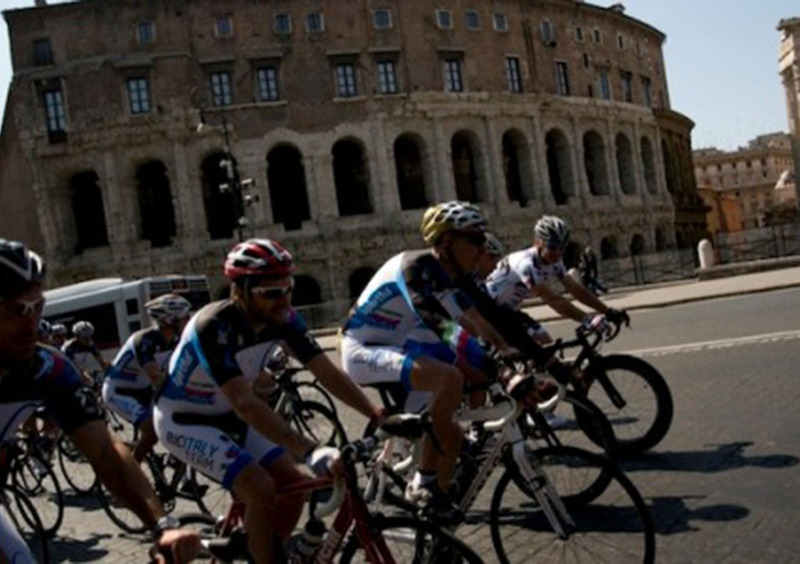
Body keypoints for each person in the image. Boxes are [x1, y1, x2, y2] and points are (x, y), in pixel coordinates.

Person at [153, 238, 383, 564]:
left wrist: (377, 414)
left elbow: (327, 372)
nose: (284, 300)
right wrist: (309, 449)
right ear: (241, 292)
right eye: (271, 293)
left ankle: (262, 551)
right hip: (184, 420)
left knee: (296, 488)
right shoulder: (213, 326)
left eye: (288, 289)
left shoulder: (284, 319)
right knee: (260, 488)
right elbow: (246, 404)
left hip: (229, 416)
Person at [0, 239, 200, 564]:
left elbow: (105, 451)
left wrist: (162, 525)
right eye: (16, 311)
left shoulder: (47, 367)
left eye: (37, 307)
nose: (31, 324)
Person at [340, 201, 545, 512]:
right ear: (448, 242)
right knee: (450, 376)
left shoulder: (451, 276)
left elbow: (488, 318)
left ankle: (436, 510)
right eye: (475, 240)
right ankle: (423, 479)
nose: (482, 248)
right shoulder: (412, 268)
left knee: (453, 436)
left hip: (400, 346)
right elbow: (444, 327)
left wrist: (535, 357)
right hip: (362, 349)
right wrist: (502, 371)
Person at [486, 215, 628, 344]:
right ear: (538, 243)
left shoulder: (554, 261)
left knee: (544, 339)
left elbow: (575, 289)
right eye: (553, 247)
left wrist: (607, 311)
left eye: (562, 247)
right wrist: (587, 320)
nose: (558, 252)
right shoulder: (525, 264)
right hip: (489, 308)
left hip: (508, 310)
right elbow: (552, 299)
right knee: (532, 347)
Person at [103, 293, 192, 462]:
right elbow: (156, 378)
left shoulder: (175, 340)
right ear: (168, 320)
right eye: (184, 317)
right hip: (118, 391)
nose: (188, 320)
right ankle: (133, 473)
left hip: (143, 390)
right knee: (151, 433)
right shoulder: (144, 340)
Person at [62, 320, 110, 386]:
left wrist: (110, 369)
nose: (88, 340)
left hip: (81, 370)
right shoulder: (68, 348)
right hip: (67, 372)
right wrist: (87, 378)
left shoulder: (89, 344)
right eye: (85, 338)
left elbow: (101, 361)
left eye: (90, 336)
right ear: (77, 336)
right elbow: (74, 368)